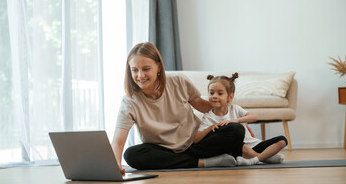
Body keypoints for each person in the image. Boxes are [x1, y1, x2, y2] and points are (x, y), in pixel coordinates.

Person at [111, 42, 247, 173]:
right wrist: (115, 164)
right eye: (134, 70)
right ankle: (203, 163)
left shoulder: (178, 81)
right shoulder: (129, 102)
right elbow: (118, 141)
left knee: (236, 130)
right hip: (163, 151)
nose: (140, 75)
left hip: (195, 143)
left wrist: (235, 118)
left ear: (158, 67)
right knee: (131, 155)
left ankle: (196, 159)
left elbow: (205, 107)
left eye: (146, 69)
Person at [193, 73, 287, 166]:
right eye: (211, 93)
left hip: (253, 145)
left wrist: (236, 121)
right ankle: (264, 158)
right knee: (242, 147)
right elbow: (196, 138)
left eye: (220, 93)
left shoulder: (235, 109)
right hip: (238, 148)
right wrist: (211, 127)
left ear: (230, 97)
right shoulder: (208, 116)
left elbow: (254, 117)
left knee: (282, 140)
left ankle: (255, 159)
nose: (214, 96)